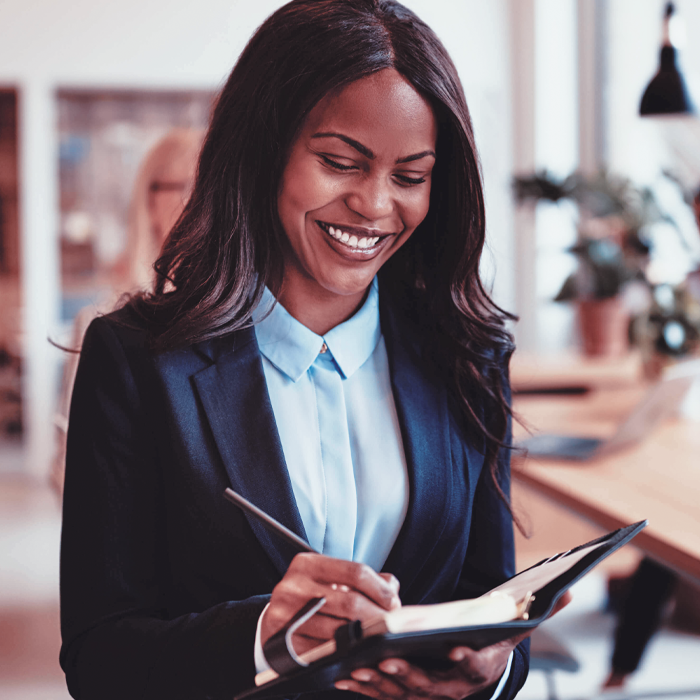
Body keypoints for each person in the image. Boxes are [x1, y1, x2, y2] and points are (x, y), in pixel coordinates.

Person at [59, 2, 563, 699]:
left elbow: (485, 606)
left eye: (410, 176)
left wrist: (491, 671)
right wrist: (261, 635)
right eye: (338, 162)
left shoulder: (466, 358)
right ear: (264, 151)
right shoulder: (140, 362)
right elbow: (98, 660)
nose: (375, 205)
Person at [50, 128, 203, 497]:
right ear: (150, 199)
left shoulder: (243, 314)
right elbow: (69, 465)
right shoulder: (104, 321)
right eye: (188, 186)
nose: (203, 201)